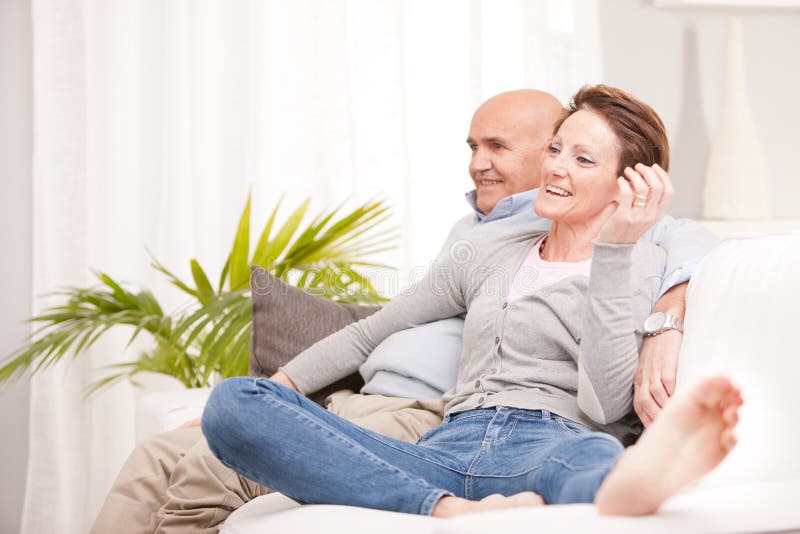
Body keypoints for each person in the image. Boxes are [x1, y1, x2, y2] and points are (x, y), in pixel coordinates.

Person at [91, 88, 718, 532]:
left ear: (629, 183)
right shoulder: (487, 248)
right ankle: (446, 509)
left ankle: (625, 488)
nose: (555, 168)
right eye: (557, 148)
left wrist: (615, 255)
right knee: (234, 403)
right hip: (448, 440)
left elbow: (605, 404)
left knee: (592, 460)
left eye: (583, 160)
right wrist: (276, 390)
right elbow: (372, 329)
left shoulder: (636, 263)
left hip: (548, 439)